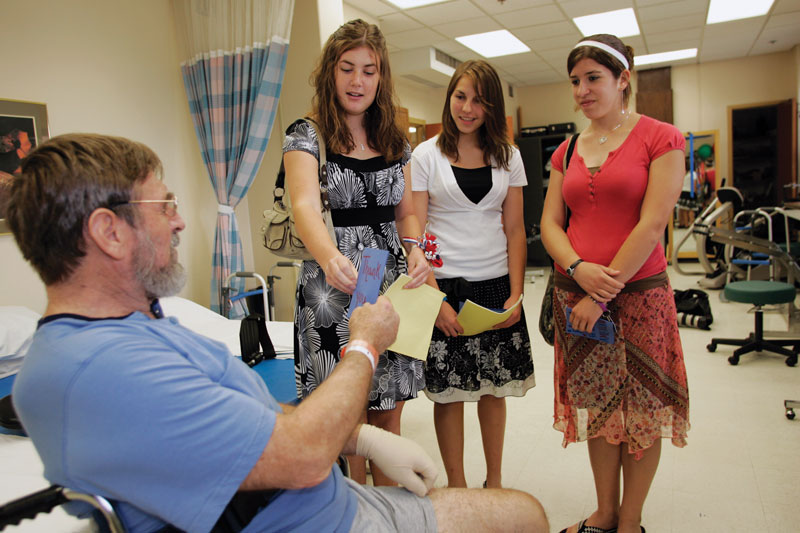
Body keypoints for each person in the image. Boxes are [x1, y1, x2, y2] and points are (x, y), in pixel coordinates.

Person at [6, 133, 549, 533]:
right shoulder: (100, 370)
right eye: (165, 205)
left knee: (521, 511)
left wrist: (361, 437)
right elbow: (304, 455)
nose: (179, 221)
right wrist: (363, 344)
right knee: (523, 518)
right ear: (109, 232)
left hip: (325, 502)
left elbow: (248, 421)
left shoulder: (143, 328)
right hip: (311, 521)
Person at [540, 34, 690, 533]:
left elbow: (651, 225)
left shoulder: (661, 137)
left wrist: (600, 293)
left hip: (640, 298)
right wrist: (578, 268)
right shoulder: (566, 150)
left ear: (623, 80)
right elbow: (550, 225)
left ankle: (631, 522)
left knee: (643, 412)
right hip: (575, 296)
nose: (582, 90)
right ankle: (604, 514)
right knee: (600, 407)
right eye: (575, 81)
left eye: (594, 78)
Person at [283, 19, 430, 485]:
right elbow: (304, 204)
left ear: (381, 77)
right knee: (343, 418)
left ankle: (389, 514)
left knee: (387, 414)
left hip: (387, 282)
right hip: (333, 284)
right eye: (348, 68)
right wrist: (329, 256)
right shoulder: (307, 134)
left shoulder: (395, 140)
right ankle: (349, 511)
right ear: (331, 72)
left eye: (369, 70)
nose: (357, 81)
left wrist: (416, 249)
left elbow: (406, 214)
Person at [411, 60, 534, 489]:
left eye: (479, 100)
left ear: (492, 106)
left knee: (493, 388)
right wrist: (434, 298)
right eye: (460, 96)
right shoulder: (425, 154)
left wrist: (516, 293)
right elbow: (418, 231)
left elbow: (515, 229)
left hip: (496, 284)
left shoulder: (509, 156)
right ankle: (459, 487)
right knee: (449, 394)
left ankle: (494, 483)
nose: (467, 107)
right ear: (449, 98)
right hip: (444, 285)